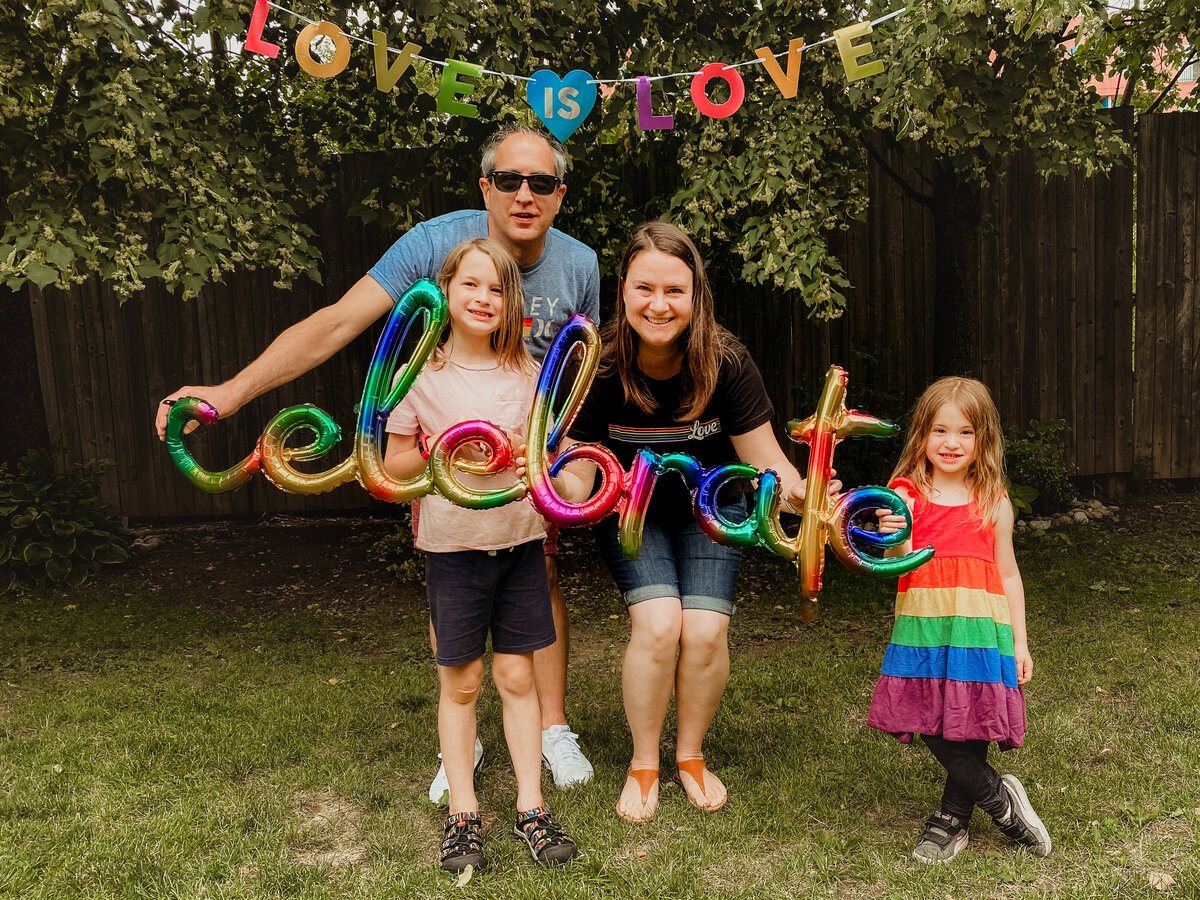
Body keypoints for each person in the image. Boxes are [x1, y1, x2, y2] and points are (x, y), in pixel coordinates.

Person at [154, 124, 598, 795]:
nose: (524, 193)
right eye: (509, 179)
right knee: (452, 585)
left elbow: (577, 369)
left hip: (527, 453)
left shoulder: (580, 264)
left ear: (560, 194)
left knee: (539, 568)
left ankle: (550, 728)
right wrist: (232, 391)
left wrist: (566, 464)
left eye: (540, 182)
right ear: (486, 187)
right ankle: (465, 740)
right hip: (441, 453)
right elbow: (337, 322)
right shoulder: (431, 244)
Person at [558, 221, 816, 823]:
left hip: (713, 509)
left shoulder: (726, 361)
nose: (659, 304)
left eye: (675, 290)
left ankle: (691, 755)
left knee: (702, 631)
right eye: (646, 288)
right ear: (623, 289)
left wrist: (814, 497)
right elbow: (578, 473)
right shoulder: (597, 366)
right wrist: (549, 486)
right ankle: (643, 763)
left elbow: (768, 465)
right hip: (632, 511)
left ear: (696, 294)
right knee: (657, 626)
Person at [384, 238, 578, 873]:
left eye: (496, 289)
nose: (483, 298)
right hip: (453, 552)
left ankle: (531, 807)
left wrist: (541, 459)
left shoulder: (529, 378)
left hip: (520, 546)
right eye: (470, 285)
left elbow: (551, 460)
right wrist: (440, 450)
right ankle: (463, 811)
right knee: (461, 683)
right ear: (446, 293)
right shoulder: (418, 376)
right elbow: (393, 466)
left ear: (511, 301)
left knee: (518, 677)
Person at [868, 376, 1051, 864]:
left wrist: (1021, 642)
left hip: (980, 630)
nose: (951, 443)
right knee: (929, 721)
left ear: (983, 439)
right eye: (940, 430)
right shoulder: (905, 493)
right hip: (925, 627)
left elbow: (1008, 575)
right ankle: (1000, 800)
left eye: (965, 432)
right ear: (922, 435)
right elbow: (898, 555)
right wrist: (896, 529)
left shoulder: (995, 501)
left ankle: (951, 821)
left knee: (968, 723)